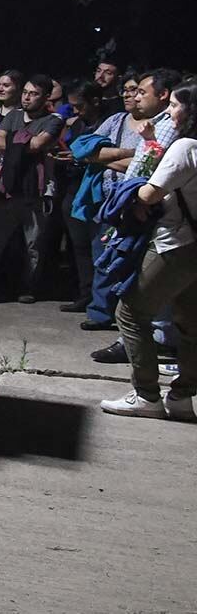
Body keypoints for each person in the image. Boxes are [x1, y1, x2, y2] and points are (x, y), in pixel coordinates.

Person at [100, 82, 197, 420]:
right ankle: (183, 397)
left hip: (176, 245)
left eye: (174, 105)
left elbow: (150, 195)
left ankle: (147, 395)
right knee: (190, 323)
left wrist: (134, 192)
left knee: (130, 312)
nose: (169, 112)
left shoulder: (185, 146)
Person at [0, 74, 64, 302]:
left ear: (45, 97)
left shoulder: (53, 120)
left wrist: (15, 140)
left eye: (34, 94)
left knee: (33, 242)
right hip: (9, 185)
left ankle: (29, 287)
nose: (27, 97)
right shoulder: (13, 115)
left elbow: (39, 144)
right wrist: (25, 140)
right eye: (25, 92)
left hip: (36, 188)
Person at [53, 82, 105, 313]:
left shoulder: (109, 123)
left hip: (99, 189)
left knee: (97, 247)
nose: (75, 111)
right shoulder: (78, 125)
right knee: (79, 245)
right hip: (75, 187)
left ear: (95, 101)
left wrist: (82, 157)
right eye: (72, 106)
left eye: (79, 106)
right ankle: (85, 294)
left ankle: (101, 299)